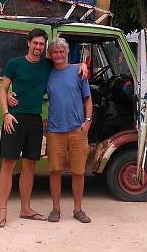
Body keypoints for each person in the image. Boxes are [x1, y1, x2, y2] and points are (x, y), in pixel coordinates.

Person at [0, 28, 88, 228]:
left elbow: (66, 64)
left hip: (35, 121)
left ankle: (25, 208)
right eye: (35, 43)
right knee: (8, 165)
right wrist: (6, 112)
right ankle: (2, 211)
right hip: (14, 119)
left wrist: (83, 65)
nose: (38, 47)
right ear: (28, 43)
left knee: (29, 166)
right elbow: (3, 89)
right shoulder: (15, 63)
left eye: (41, 44)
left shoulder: (47, 65)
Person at [44, 38, 93, 224]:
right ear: (50, 54)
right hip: (55, 131)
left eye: (61, 52)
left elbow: (87, 99)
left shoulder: (78, 71)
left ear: (66, 53)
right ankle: (55, 209)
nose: (58, 55)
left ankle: (78, 209)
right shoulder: (47, 74)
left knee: (78, 172)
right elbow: (38, 96)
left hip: (77, 130)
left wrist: (87, 122)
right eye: (55, 52)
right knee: (55, 171)